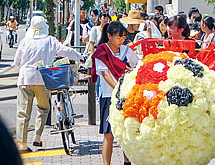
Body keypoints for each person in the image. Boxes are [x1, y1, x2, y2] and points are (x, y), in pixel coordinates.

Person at [14, 16, 82, 153]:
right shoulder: (50, 41)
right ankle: (37, 137)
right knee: (44, 108)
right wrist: (80, 56)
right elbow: (65, 51)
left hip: (25, 79)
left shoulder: (25, 41)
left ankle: (22, 144)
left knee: (22, 113)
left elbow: (17, 61)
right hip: (43, 79)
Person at [91, 22, 139, 165]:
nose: (122, 40)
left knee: (126, 132)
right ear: (109, 36)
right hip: (108, 96)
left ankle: (127, 161)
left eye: (124, 37)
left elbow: (137, 67)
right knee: (109, 134)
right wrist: (118, 90)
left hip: (127, 96)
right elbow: (105, 74)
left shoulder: (127, 51)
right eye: (119, 37)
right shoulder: (102, 51)